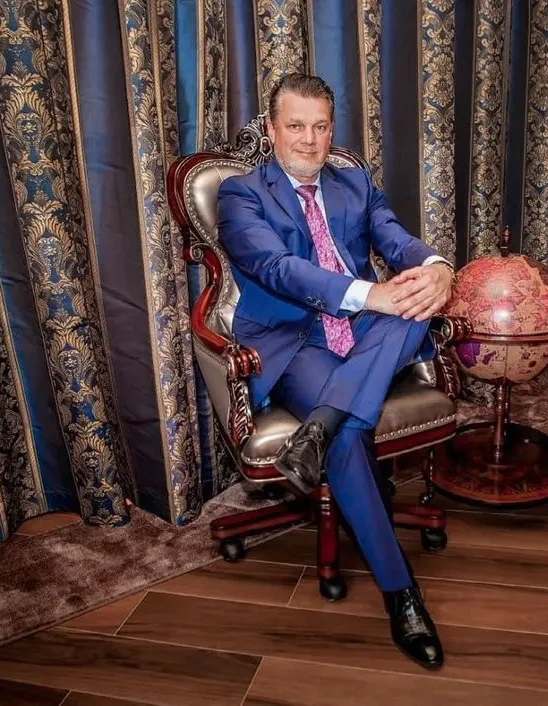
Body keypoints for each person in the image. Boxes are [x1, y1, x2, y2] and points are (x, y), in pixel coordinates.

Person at [216, 73, 455, 670]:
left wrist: (437, 267)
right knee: (351, 436)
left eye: (320, 126)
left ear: (331, 129)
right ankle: (402, 594)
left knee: (417, 302)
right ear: (272, 129)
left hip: (367, 335)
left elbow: (395, 239)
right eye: (295, 126)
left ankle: (317, 427)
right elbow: (276, 267)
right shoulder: (241, 194)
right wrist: (371, 295)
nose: (309, 139)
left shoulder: (355, 183)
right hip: (294, 341)